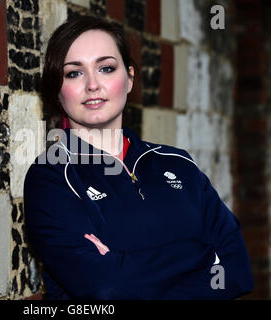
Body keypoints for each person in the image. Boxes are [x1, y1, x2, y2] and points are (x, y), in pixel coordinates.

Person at [23, 15, 254, 300]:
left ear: (129, 79)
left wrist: (125, 266)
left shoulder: (178, 164)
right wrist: (201, 252)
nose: (93, 84)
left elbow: (237, 271)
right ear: (57, 91)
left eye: (106, 68)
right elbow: (106, 288)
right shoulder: (51, 176)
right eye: (74, 73)